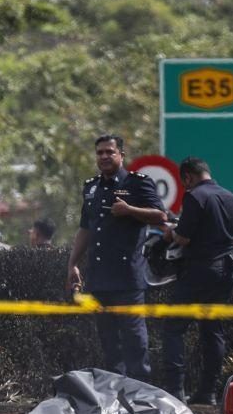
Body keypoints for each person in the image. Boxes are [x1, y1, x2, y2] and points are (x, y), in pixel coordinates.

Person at [66, 134, 167, 382]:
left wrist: (130, 210)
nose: (104, 157)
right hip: (99, 278)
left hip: (127, 278)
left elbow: (160, 216)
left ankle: (141, 391)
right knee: (109, 340)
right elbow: (85, 229)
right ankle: (116, 393)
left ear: (121, 154)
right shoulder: (91, 187)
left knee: (134, 339)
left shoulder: (137, 183)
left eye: (109, 152)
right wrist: (73, 264)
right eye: (100, 152)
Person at [160, 157, 233, 406]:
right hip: (227, 271)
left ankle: (175, 392)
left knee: (173, 327)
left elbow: (183, 238)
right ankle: (208, 392)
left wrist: (169, 233)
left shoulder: (195, 196)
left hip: (200, 271)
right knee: (212, 330)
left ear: (188, 177)